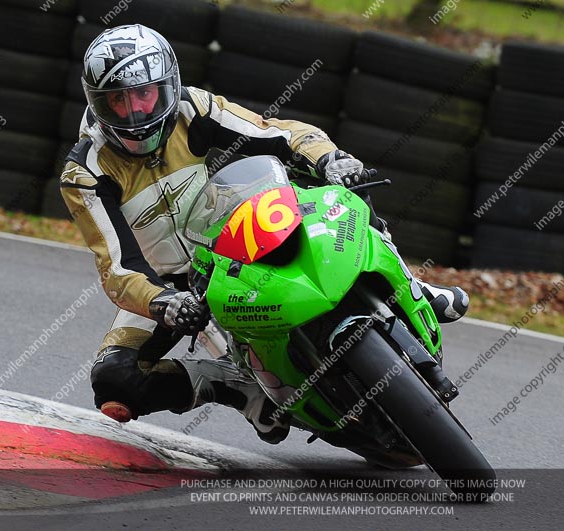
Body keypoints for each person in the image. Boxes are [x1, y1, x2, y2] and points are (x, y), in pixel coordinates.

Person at [60, 24, 469, 444]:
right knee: (115, 381)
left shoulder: (190, 109)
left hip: (236, 234)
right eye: (118, 101)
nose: (136, 114)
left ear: (167, 86)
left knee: (338, 197)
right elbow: (117, 267)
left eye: (144, 95)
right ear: (97, 103)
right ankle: (243, 392)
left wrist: (329, 158)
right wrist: (162, 301)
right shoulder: (85, 172)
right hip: (169, 284)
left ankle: (413, 288)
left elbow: (277, 133)